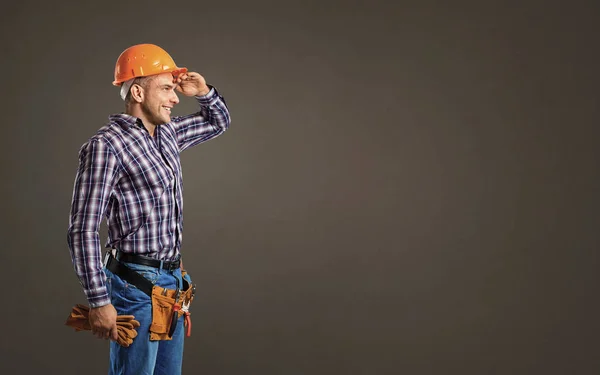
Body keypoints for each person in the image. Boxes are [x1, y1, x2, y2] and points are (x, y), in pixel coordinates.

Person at [66, 43, 231, 374]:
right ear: (138, 92)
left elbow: (218, 122)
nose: (175, 98)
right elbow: (82, 229)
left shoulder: (167, 134)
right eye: (167, 89)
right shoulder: (106, 146)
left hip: (171, 283)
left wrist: (204, 91)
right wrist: (99, 301)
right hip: (133, 287)